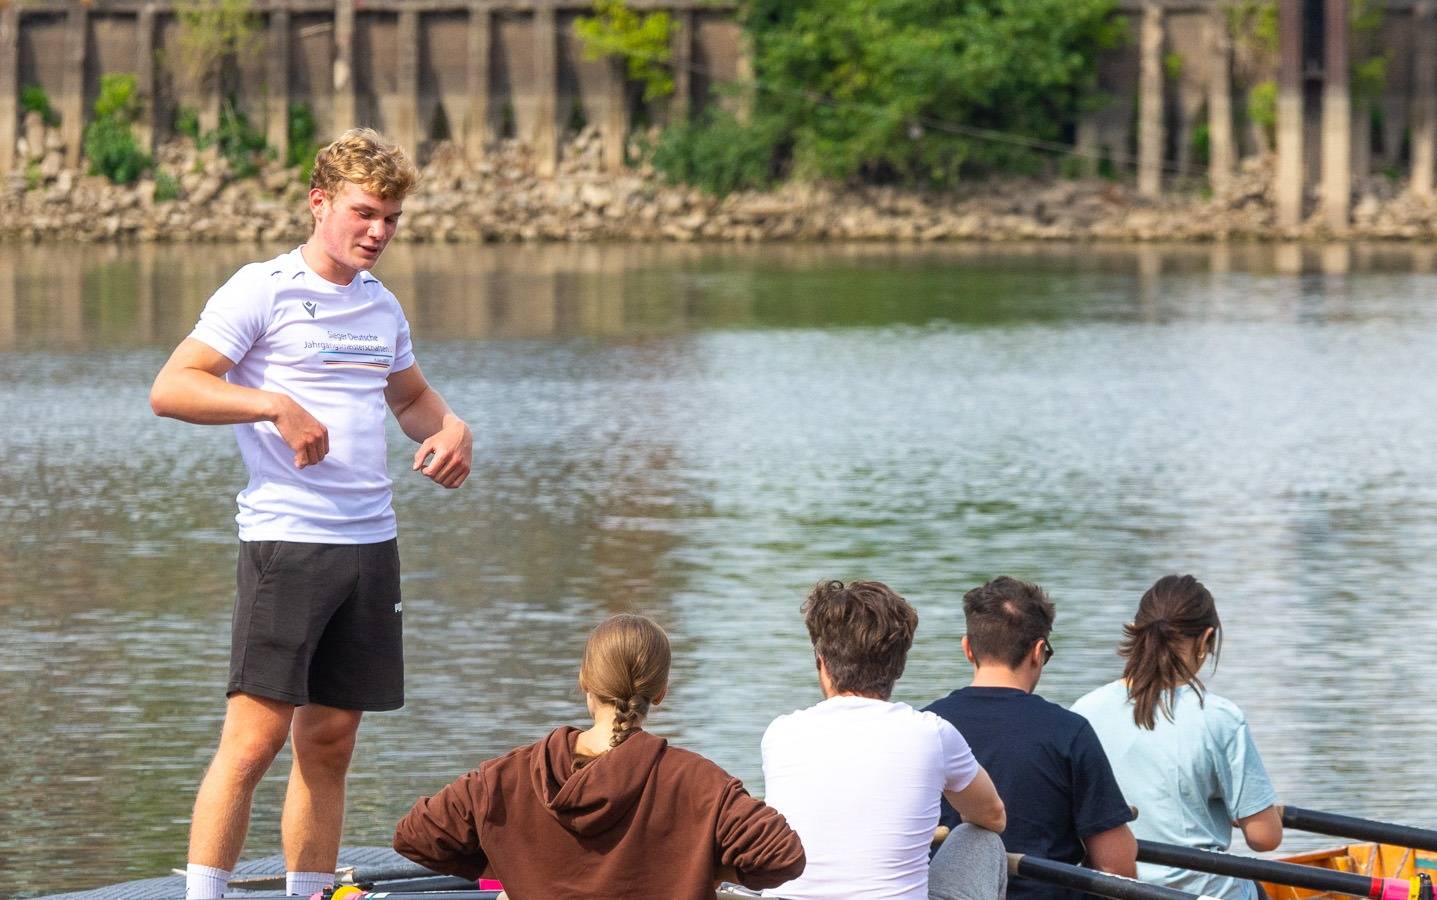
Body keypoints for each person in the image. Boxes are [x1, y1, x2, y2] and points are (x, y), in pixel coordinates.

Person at [149, 128, 474, 900]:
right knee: (254, 740)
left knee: (329, 742)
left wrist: (452, 428)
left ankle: (309, 894)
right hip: (286, 544)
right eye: (366, 213)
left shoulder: (380, 305)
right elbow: (173, 386)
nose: (379, 232)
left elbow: (411, 400)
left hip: (371, 548)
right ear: (319, 202)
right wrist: (272, 403)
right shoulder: (261, 288)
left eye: (392, 219)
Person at [393, 614, 806, 899]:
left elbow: (415, 836)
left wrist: (514, 865)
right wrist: (702, 870)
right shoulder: (697, 782)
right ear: (659, 693)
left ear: (584, 681)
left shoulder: (506, 777)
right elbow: (783, 858)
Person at [761, 580, 1009, 900]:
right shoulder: (932, 733)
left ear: (822, 662)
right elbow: (992, 816)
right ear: (899, 666)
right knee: (982, 839)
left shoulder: (780, 732)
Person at [923, 577, 1137, 900]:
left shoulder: (922, 728)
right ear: (1038, 652)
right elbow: (1119, 869)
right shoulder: (1069, 732)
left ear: (968, 648)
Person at [1071, 575, 1281, 900]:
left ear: (1135, 630)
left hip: (1113, 891)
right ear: (1206, 639)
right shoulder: (1219, 717)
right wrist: (1260, 811)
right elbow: (1264, 837)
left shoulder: (1084, 711)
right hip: (1200, 892)